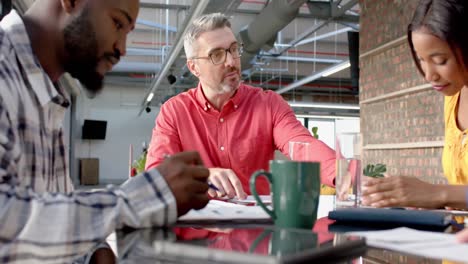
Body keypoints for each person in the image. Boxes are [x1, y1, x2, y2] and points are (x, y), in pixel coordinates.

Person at [0, 0, 210, 259]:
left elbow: (48, 210)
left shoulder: (47, 96)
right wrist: (141, 197)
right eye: (117, 23)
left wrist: (91, 252)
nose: (121, 48)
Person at [145, 13, 336, 199]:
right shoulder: (175, 111)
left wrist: (345, 175)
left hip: (256, 226)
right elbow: (157, 171)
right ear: (194, 67)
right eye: (216, 55)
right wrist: (200, 175)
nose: (231, 61)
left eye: (233, 49)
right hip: (198, 227)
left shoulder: (268, 105)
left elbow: (303, 145)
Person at [361, 0, 468, 210]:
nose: (429, 75)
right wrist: (416, 198)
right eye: (421, 60)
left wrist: (438, 194)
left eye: (440, 60)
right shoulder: (453, 98)